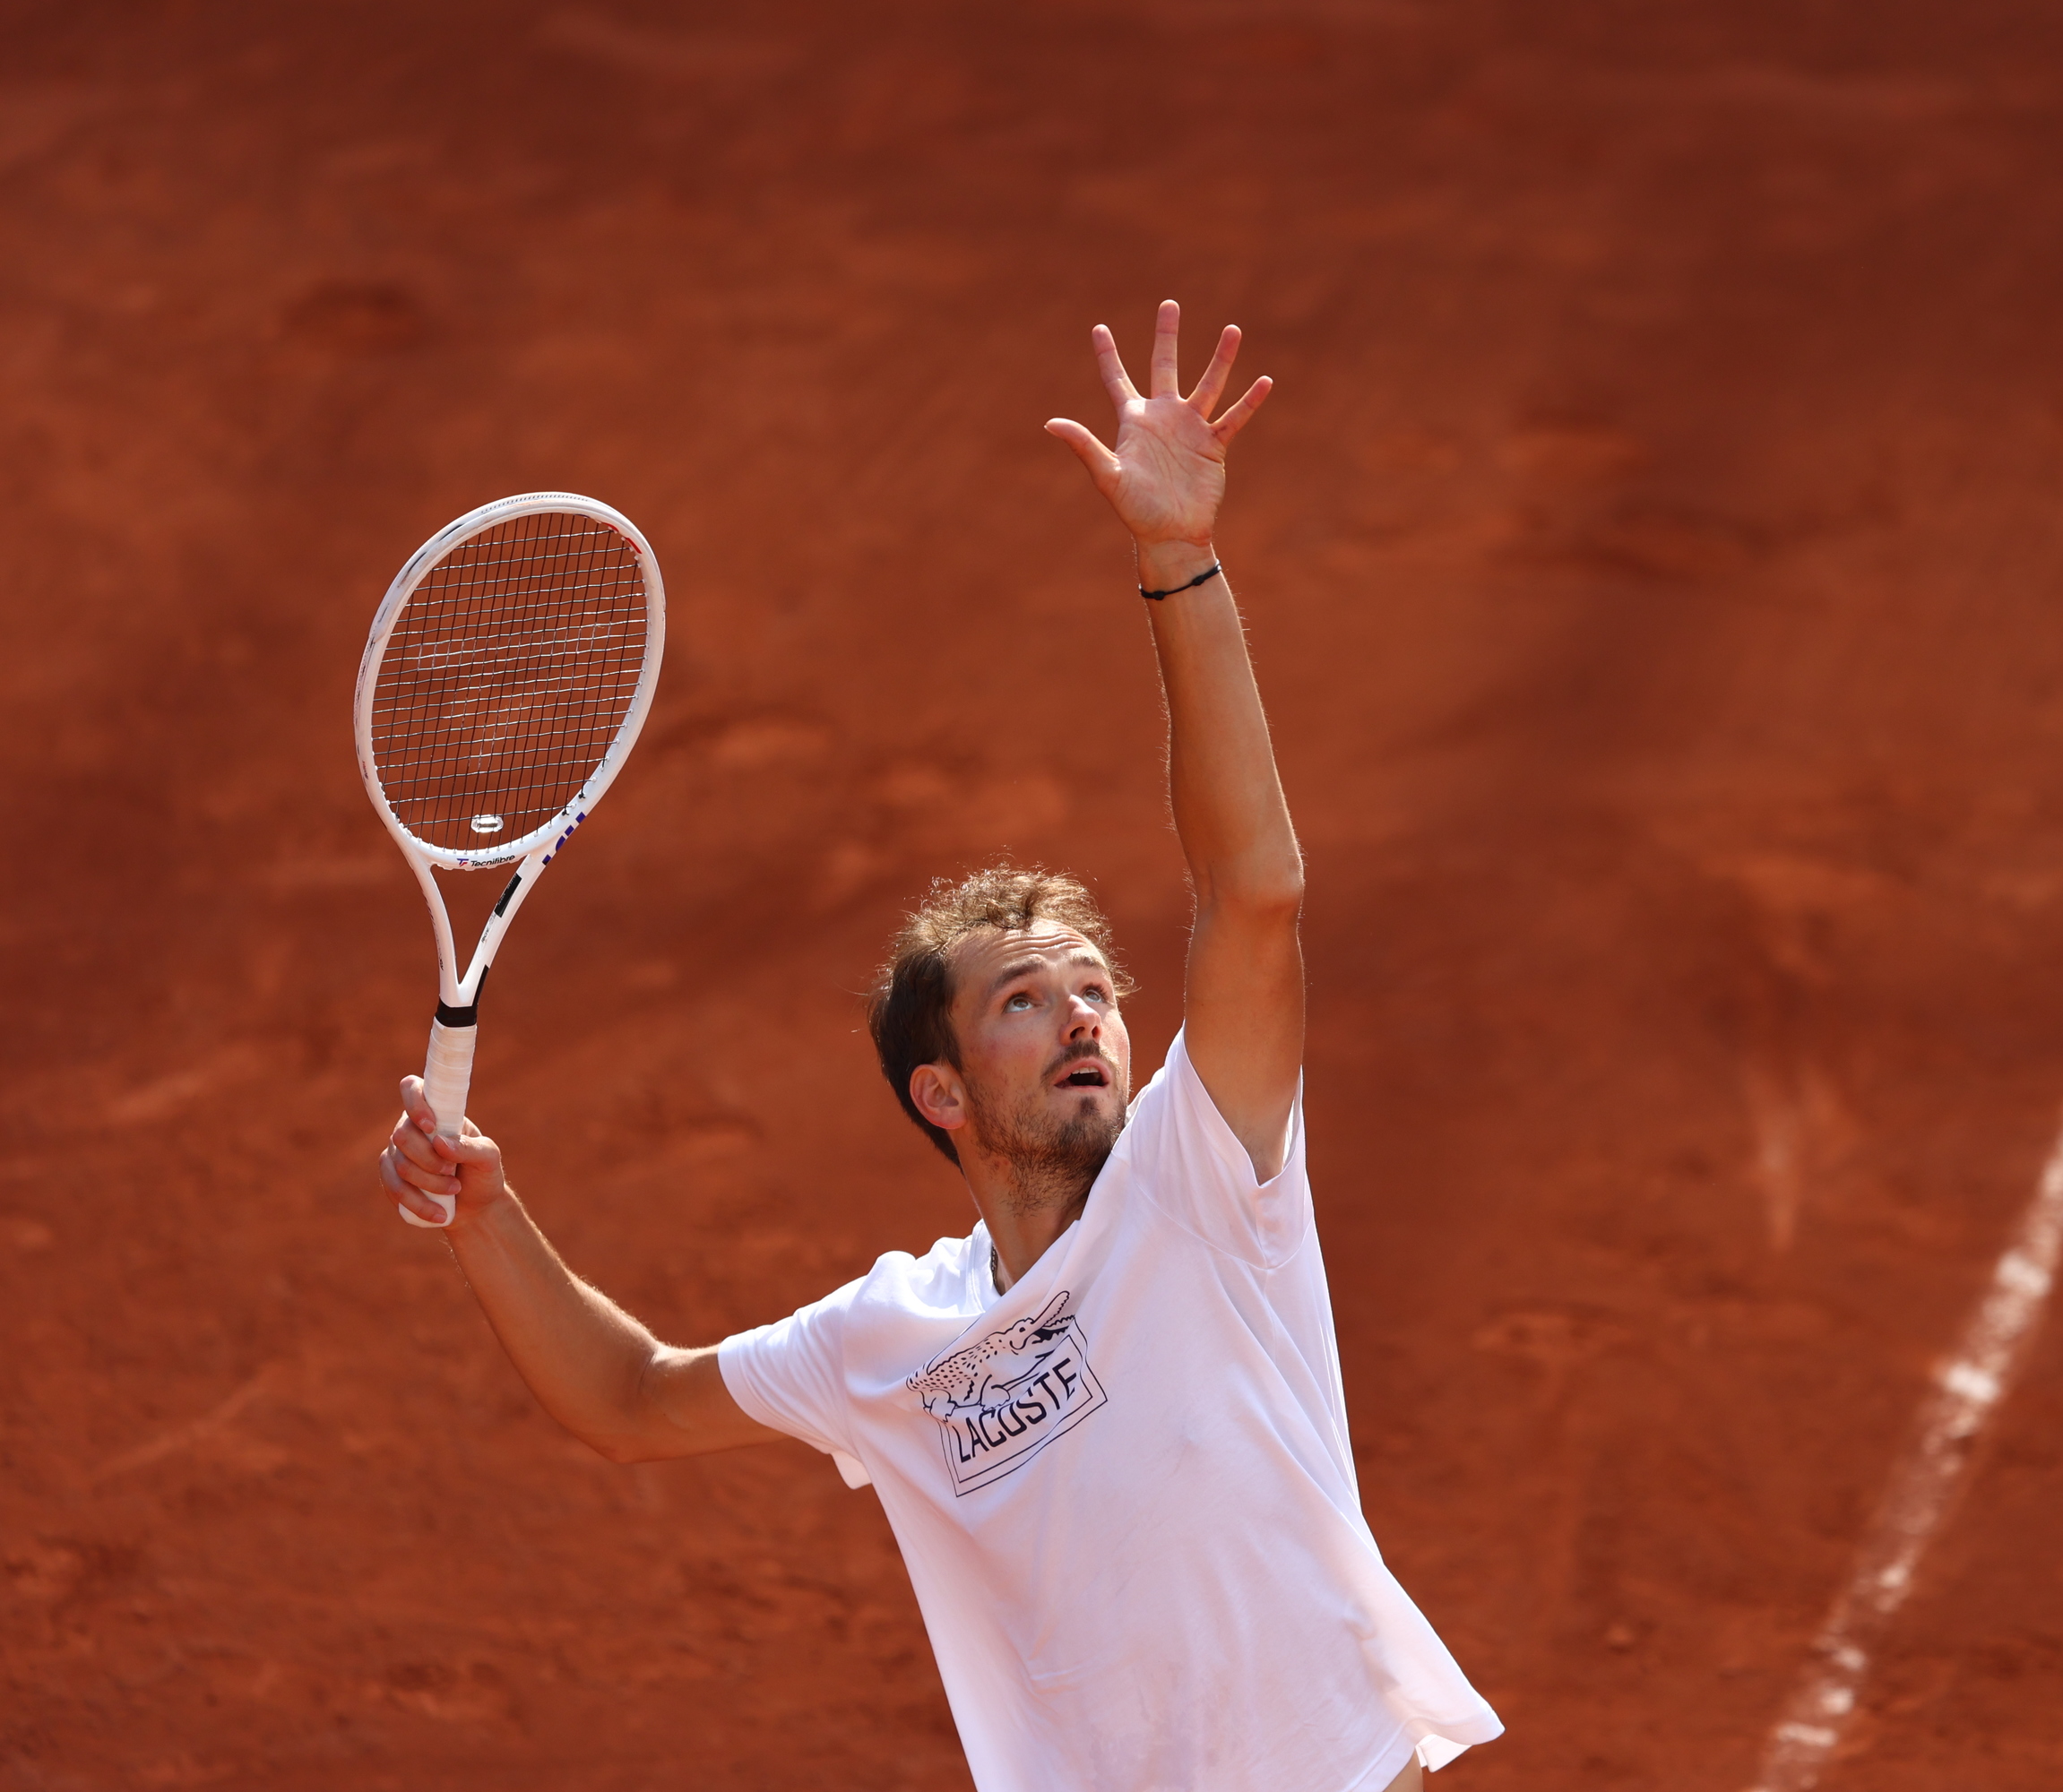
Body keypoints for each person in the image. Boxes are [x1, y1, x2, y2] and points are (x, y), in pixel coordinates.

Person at [376, 303, 1502, 1792]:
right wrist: (484, 1215)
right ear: (942, 1093)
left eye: (1097, 989)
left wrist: (1177, 554)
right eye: (1027, 999)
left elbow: (1256, 891)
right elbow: (632, 1400)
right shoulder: (891, 1342)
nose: (1087, 1014)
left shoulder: (1202, 1185)